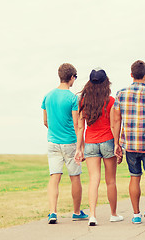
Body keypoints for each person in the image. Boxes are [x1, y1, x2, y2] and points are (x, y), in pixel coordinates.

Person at [111, 60, 145, 226]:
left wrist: (117, 143)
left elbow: (116, 121)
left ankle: (136, 214)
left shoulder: (120, 94)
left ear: (131, 74)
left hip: (131, 144)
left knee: (134, 177)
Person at [74, 68, 124, 226]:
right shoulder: (110, 100)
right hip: (108, 140)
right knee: (111, 181)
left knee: (93, 180)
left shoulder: (83, 101)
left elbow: (80, 127)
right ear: (105, 82)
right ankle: (113, 214)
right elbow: (114, 124)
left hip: (90, 142)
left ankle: (92, 216)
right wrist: (117, 144)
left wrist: (79, 149)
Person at [41, 63, 88, 224]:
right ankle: (76, 212)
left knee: (54, 177)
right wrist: (80, 147)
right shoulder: (72, 98)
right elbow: (77, 124)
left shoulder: (48, 96)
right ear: (71, 77)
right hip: (70, 143)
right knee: (75, 177)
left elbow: (45, 121)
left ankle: (53, 212)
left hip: (53, 142)